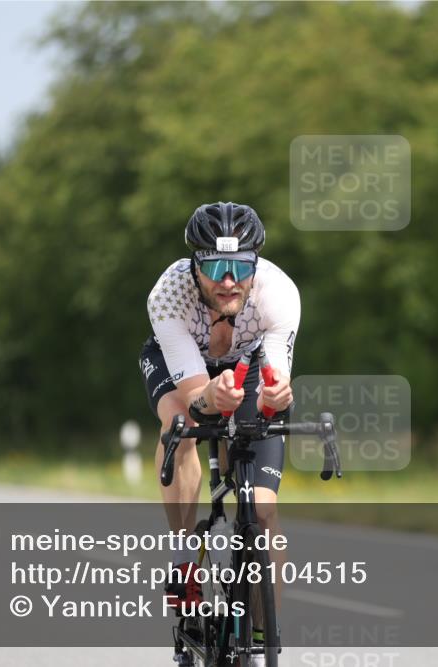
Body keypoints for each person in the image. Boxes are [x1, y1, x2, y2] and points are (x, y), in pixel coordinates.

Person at [138, 203, 298, 630]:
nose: (229, 280)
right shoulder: (169, 295)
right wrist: (212, 397)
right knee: (181, 425)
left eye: (240, 268)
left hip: (246, 367)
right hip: (184, 369)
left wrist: (277, 395)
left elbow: (274, 381)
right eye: (216, 266)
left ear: (255, 265)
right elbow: (196, 400)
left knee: (263, 511)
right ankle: (184, 556)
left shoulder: (277, 293)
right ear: (195, 265)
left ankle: (263, 638)